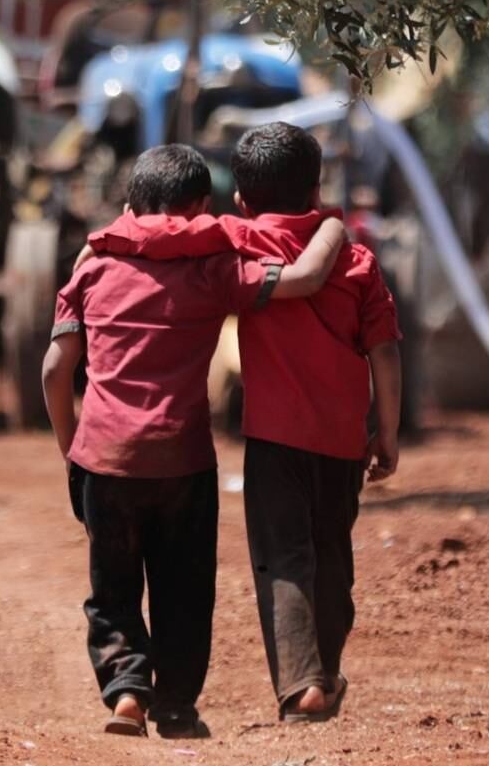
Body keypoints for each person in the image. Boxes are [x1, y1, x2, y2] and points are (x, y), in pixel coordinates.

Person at [86, 121, 402, 724]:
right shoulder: (357, 258)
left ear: (241, 198)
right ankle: (325, 674)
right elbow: (385, 351)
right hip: (341, 440)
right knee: (332, 556)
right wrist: (386, 431)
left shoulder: (235, 238)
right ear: (315, 187)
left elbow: (162, 237)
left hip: (273, 439)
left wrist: (102, 247)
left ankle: (302, 682)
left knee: (283, 558)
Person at [41, 144, 347, 740]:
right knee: (184, 589)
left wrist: (70, 447)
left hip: (103, 458)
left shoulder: (94, 266)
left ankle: (127, 692)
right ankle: (177, 707)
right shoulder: (214, 271)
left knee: (113, 587)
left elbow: (56, 369)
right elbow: (306, 278)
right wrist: (334, 225)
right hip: (183, 460)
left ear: (130, 203)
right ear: (203, 206)